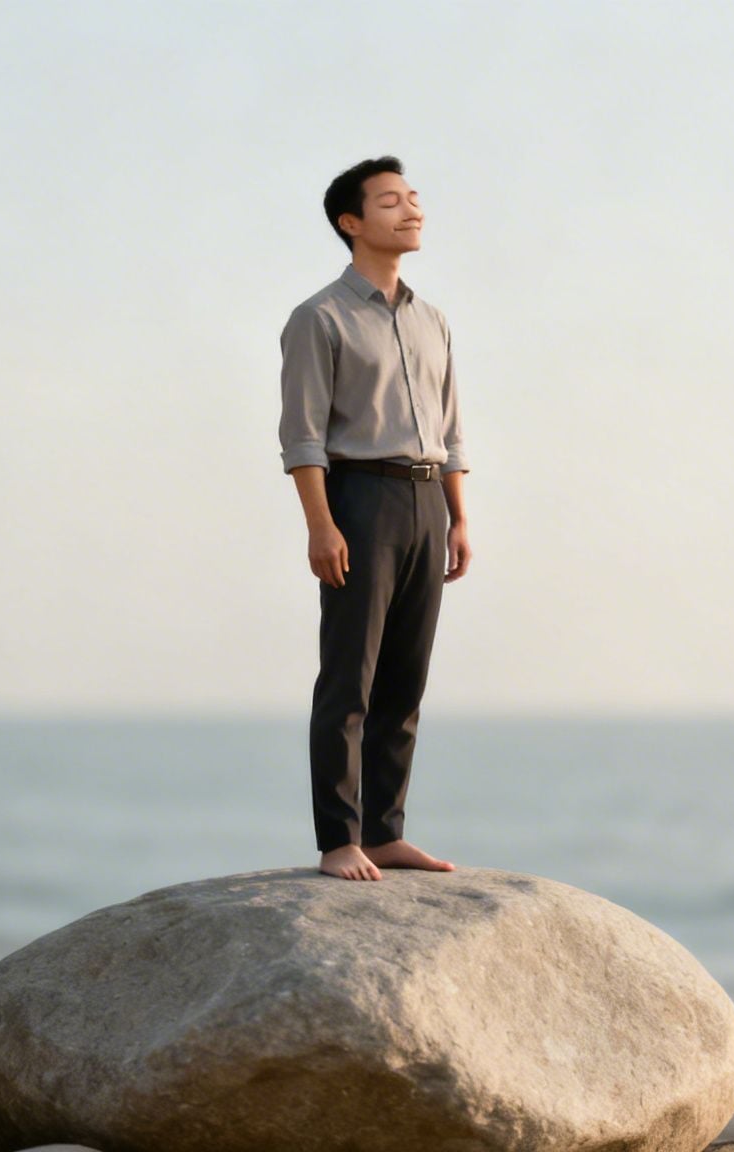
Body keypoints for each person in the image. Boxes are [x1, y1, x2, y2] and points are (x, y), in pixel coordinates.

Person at [279, 156, 471, 882]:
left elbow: (452, 433)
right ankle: (340, 839)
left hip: (427, 501)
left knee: (404, 681)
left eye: (415, 198)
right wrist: (320, 525)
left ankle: (387, 830)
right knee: (349, 679)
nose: (411, 210)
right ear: (351, 223)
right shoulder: (319, 318)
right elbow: (302, 435)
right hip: (359, 498)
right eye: (391, 202)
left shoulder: (433, 321)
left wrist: (457, 518)